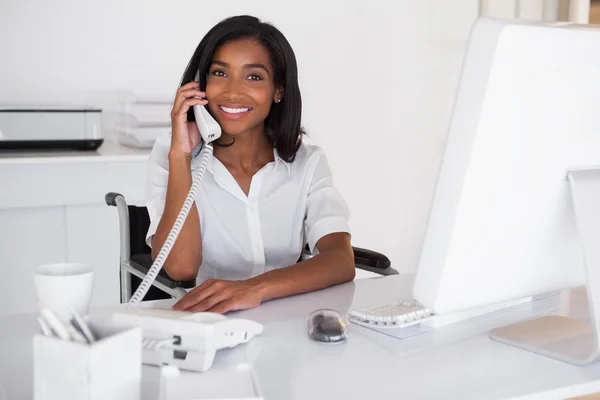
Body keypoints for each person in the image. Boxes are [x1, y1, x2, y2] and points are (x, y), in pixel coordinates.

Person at [145, 15, 354, 314]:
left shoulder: (308, 162)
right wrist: (181, 156)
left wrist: (255, 289)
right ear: (201, 84)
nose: (232, 91)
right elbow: (180, 268)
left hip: (289, 320)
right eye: (220, 73)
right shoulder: (173, 154)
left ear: (278, 90)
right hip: (212, 324)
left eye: (253, 76)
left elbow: (340, 259)